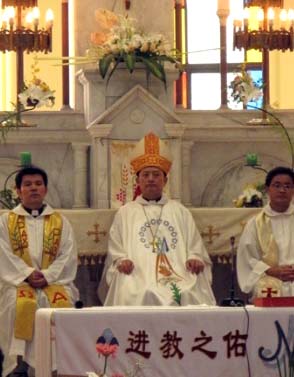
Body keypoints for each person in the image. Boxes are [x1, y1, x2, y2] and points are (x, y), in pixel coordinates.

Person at [99, 132, 216, 306]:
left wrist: (194, 256)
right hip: (138, 273)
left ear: (165, 180)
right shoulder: (125, 212)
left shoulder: (180, 211)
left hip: (179, 272)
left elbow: (194, 243)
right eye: (145, 175)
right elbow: (116, 246)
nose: (151, 179)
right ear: (137, 180)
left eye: (156, 175)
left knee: (187, 291)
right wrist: (121, 260)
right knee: (141, 292)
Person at [0, 166, 79, 377]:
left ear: (45, 189)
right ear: (18, 191)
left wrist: (48, 276)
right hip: (18, 283)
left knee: (63, 305)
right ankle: (18, 365)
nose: (33, 188)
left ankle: (59, 367)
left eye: (38, 184)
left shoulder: (60, 221)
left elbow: (68, 255)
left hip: (55, 282)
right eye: (27, 185)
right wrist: (26, 274)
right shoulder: (6, 221)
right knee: (16, 304)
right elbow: (3, 253)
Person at [237, 166, 294, 298]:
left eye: (287, 186)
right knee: (267, 291)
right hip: (269, 276)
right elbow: (248, 257)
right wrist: (271, 270)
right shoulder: (255, 224)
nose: (282, 190)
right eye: (277, 185)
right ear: (268, 189)